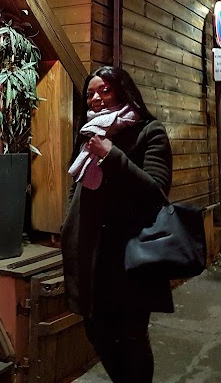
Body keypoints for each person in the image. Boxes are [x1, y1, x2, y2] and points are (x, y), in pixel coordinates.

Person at [61, 66, 173, 383]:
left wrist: (113, 156)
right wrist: (68, 222)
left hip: (130, 256)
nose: (96, 98)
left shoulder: (149, 132)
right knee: (96, 331)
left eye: (105, 90)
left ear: (123, 91)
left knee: (131, 337)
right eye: (90, 94)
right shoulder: (90, 133)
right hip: (90, 254)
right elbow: (78, 185)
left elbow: (157, 192)